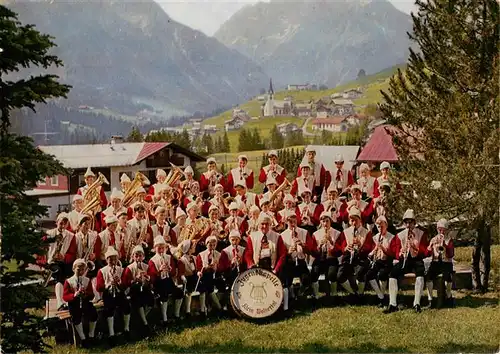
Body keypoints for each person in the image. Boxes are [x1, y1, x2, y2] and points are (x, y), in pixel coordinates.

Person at [384, 209, 429, 313]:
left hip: (416, 259)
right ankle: (392, 304)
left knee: (420, 273)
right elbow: (393, 250)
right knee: (393, 274)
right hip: (404, 259)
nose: (408, 225)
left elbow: (425, 251)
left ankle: (416, 303)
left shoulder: (421, 233)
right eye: (406, 222)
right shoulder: (400, 235)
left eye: (410, 222)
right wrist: (400, 252)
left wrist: (416, 248)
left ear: (414, 222)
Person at [244, 215, 288, 311]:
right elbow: (248, 253)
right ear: (258, 224)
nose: (264, 226)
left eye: (267, 224)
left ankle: (284, 308)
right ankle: (259, 308)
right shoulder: (252, 237)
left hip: (272, 264)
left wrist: (276, 269)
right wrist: (251, 265)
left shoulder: (277, 236)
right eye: (262, 224)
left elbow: (282, 254)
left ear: (270, 225)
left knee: (281, 284)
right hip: (257, 265)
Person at [336, 207, 374, 302]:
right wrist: (345, 248)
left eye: (356, 220)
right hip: (348, 256)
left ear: (360, 220)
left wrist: (361, 245)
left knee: (361, 272)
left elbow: (369, 247)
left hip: (362, 256)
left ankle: (360, 294)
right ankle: (353, 293)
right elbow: (339, 246)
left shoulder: (367, 232)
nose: (353, 223)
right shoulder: (345, 232)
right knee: (339, 276)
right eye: (351, 220)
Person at [43, 212, 77, 310]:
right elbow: (41, 249)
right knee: (59, 273)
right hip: (51, 262)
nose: (62, 225)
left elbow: (72, 253)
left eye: (65, 223)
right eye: (61, 223)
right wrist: (43, 263)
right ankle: (59, 302)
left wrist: (64, 257)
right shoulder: (49, 234)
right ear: (56, 222)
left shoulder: (71, 236)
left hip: (63, 261)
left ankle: (71, 299)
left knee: (73, 273)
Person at [96, 247, 131, 343]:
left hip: (119, 293)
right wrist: (108, 284)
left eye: (115, 259)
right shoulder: (102, 271)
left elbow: (125, 285)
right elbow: (98, 287)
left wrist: (119, 282)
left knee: (127, 307)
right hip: (109, 293)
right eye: (110, 259)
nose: (113, 261)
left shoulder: (122, 270)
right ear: (106, 260)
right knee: (109, 310)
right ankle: (111, 333)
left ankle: (126, 329)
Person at [365, 216, 400, 307]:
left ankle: (383, 298)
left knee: (382, 275)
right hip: (378, 260)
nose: (380, 229)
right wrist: (373, 252)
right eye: (378, 227)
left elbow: (393, 254)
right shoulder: (376, 237)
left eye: (382, 226)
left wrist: (383, 249)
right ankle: (381, 296)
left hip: (388, 260)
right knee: (369, 275)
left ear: (386, 226)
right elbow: (373, 249)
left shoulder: (392, 237)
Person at [280, 212, 314, 304]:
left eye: (294, 221)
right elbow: (281, 254)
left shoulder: (304, 232)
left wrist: (303, 245)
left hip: (301, 260)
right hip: (289, 262)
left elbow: (311, 250)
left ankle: (300, 293)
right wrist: (288, 252)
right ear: (287, 222)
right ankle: (291, 295)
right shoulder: (282, 235)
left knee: (306, 280)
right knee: (286, 281)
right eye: (290, 221)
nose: (292, 223)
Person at [63, 259, 98, 348]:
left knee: (94, 314)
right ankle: (83, 338)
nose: (81, 272)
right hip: (74, 303)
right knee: (76, 317)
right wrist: (74, 295)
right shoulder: (69, 281)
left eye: (83, 269)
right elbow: (65, 297)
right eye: (79, 269)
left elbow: (92, 295)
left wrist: (86, 294)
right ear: (74, 269)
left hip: (85, 302)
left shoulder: (87, 280)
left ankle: (91, 335)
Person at [147, 236, 179, 326]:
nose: (161, 250)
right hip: (158, 283)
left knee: (179, 293)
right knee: (164, 295)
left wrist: (170, 269)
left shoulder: (169, 257)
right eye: (159, 248)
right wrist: (159, 271)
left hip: (168, 280)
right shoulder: (152, 260)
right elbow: (152, 278)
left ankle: (176, 315)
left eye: (163, 248)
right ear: (155, 248)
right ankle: (164, 319)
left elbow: (173, 273)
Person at [310, 212, 342, 303]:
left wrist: (331, 242)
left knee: (332, 275)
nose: (325, 224)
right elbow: (313, 252)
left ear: (330, 221)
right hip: (320, 258)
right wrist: (319, 246)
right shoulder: (316, 234)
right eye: (323, 221)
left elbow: (339, 251)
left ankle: (334, 295)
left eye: (327, 221)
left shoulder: (337, 233)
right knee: (314, 273)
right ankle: (316, 296)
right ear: (320, 222)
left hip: (331, 258)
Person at [121, 245, 153, 333]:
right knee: (139, 300)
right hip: (133, 290)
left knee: (151, 301)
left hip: (144, 288)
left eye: (140, 256)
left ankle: (141, 318)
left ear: (143, 256)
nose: (138, 258)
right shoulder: (129, 268)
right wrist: (135, 279)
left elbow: (151, 279)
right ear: (133, 257)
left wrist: (147, 278)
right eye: (136, 256)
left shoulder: (146, 266)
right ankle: (145, 324)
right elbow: (125, 282)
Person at [425, 218, 455, 308]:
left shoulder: (449, 240)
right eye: (439, 229)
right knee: (428, 277)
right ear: (437, 229)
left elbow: (451, 255)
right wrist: (430, 246)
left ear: (446, 230)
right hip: (436, 262)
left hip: (446, 263)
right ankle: (430, 299)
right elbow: (426, 254)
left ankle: (448, 296)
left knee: (447, 277)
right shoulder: (434, 239)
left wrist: (444, 245)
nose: (441, 231)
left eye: (443, 229)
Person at [195, 235, 223, 318]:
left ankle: (219, 307)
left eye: (214, 245)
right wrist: (204, 268)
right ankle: (202, 310)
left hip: (213, 275)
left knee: (211, 290)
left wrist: (216, 267)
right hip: (203, 276)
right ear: (206, 245)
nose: (212, 247)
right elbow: (198, 267)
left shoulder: (218, 254)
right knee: (203, 290)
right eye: (210, 245)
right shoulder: (201, 254)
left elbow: (220, 267)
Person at [218, 230, 245, 304]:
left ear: (239, 240)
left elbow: (246, 263)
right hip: (230, 274)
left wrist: (241, 262)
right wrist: (231, 263)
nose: (235, 242)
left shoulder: (243, 249)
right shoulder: (225, 251)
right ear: (229, 240)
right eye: (232, 240)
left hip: (241, 273)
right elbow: (221, 267)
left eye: (237, 240)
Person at [176, 240, 198, 318]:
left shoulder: (194, 258)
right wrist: (183, 277)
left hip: (194, 277)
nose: (194, 247)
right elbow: (181, 273)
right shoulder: (182, 260)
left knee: (202, 287)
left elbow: (196, 269)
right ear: (189, 249)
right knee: (188, 291)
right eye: (193, 246)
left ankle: (201, 308)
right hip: (187, 279)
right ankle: (187, 311)